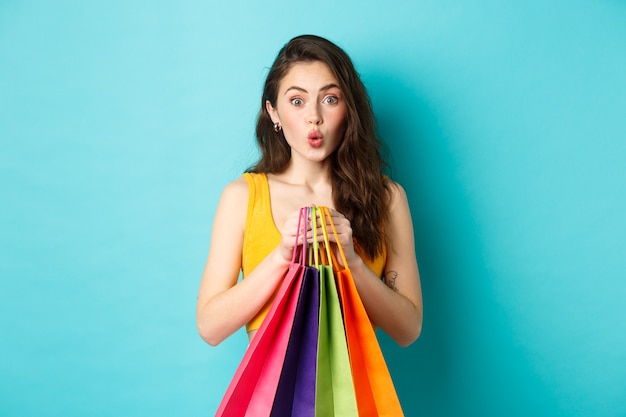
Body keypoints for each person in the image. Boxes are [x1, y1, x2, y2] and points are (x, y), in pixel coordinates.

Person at [196, 34, 422, 348]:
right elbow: (210, 327)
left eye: (330, 99)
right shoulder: (243, 196)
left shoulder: (387, 198)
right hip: (272, 397)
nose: (314, 116)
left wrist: (353, 263)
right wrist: (281, 257)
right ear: (273, 112)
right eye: (297, 101)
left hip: (359, 397)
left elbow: (408, 329)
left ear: (349, 109)